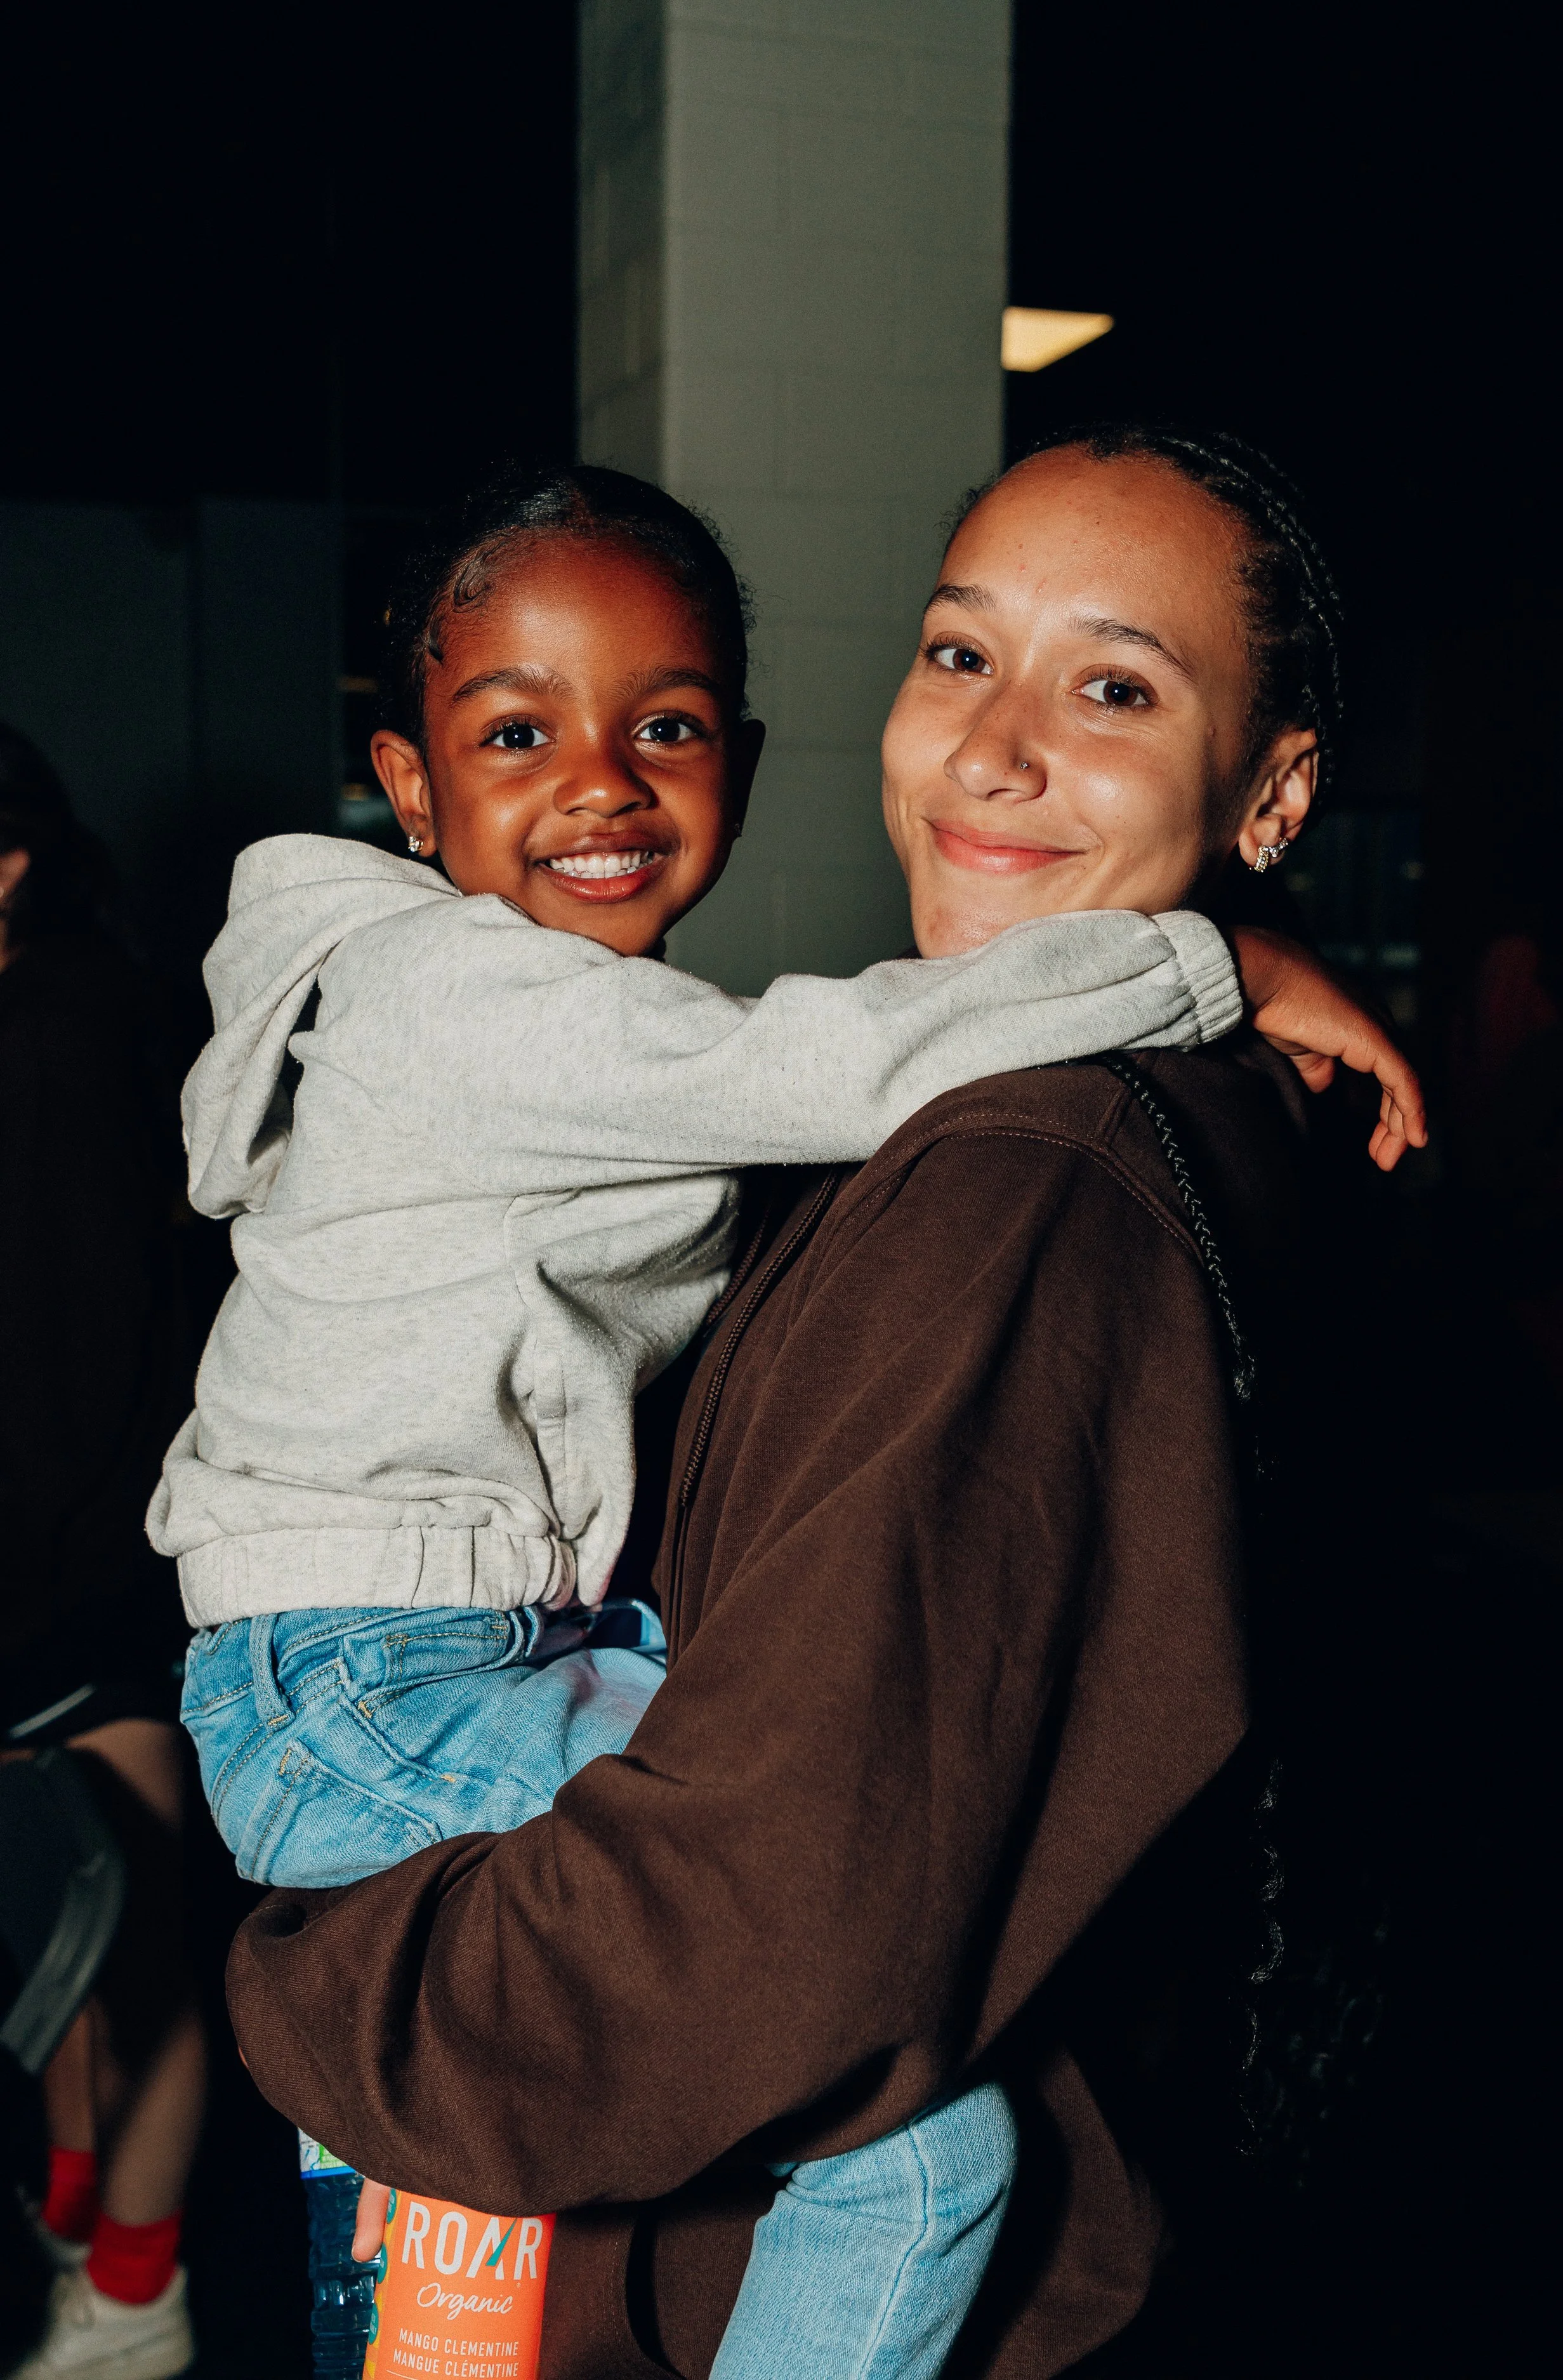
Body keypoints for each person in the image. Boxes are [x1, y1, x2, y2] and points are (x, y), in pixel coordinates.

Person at [158, 459, 1413, 2380]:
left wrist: (313, 1988)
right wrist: (1211, 956)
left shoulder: (1032, 1175)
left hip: (461, 1800)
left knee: (914, 2165)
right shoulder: (498, 1015)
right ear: (408, 787)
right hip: (376, 1677)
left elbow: (756, 1915)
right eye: (958, 653)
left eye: (1112, 688)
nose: (996, 749)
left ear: (1272, 787)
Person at [1, 727, 204, 2380]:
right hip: (62, 1557)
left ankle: (135, 2295)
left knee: (148, 1948)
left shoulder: (65, 1026)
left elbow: (75, 1350)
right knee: (76, 1936)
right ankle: (80, 2230)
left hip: (93, 1568)